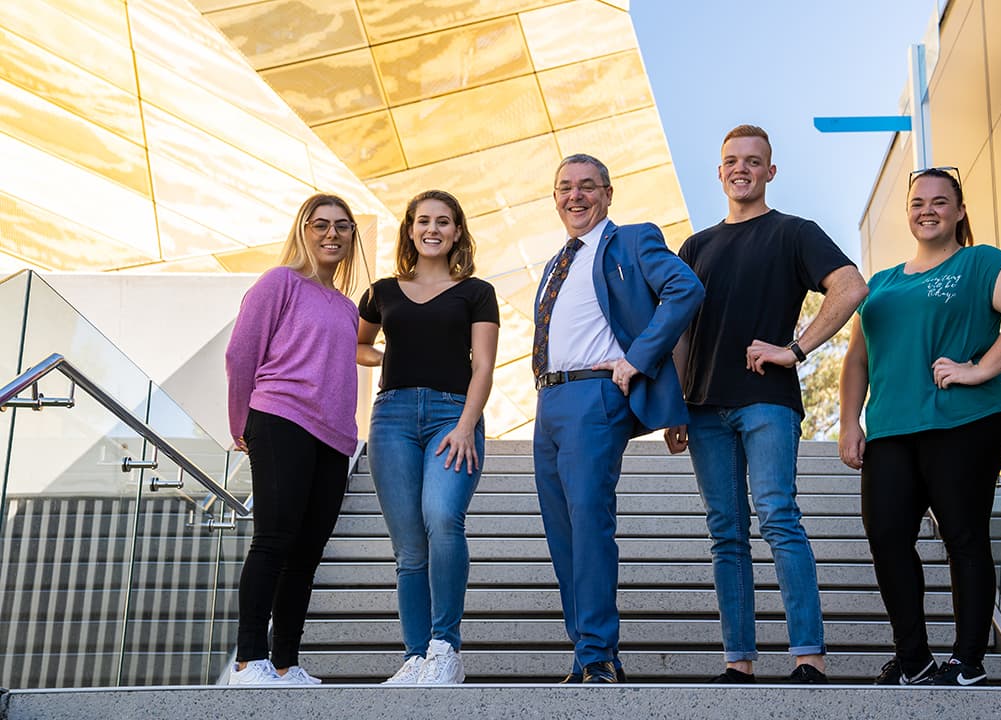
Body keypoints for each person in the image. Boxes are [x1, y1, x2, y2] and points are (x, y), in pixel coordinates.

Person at [664, 125, 868, 684]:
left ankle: (808, 655)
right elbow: (681, 330)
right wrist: (676, 404)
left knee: (778, 517)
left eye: (754, 161)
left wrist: (795, 349)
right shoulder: (696, 247)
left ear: (770, 172)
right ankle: (739, 660)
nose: (741, 169)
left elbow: (851, 285)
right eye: (731, 160)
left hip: (766, 402)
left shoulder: (793, 233)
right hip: (705, 408)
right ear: (720, 170)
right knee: (725, 531)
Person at [838, 166, 1001, 687]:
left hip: (965, 421)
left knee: (963, 535)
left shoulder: (981, 262)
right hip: (889, 430)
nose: (926, 209)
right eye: (917, 203)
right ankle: (914, 659)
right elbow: (856, 361)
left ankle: (969, 660)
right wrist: (849, 423)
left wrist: (980, 369)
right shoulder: (881, 283)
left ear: (958, 211)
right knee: (886, 536)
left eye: (938, 201)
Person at [533, 153, 703, 683]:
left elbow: (686, 289)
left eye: (587, 187)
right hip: (549, 401)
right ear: (555, 196)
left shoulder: (631, 239)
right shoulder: (556, 261)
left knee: (589, 524)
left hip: (594, 396)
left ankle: (600, 654)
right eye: (565, 187)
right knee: (562, 533)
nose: (575, 196)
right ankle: (584, 652)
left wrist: (638, 359)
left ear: (608, 194)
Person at [357, 190, 499, 685]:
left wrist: (466, 425)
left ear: (457, 230)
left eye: (443, 221)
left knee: (442, 517)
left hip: (451, 416)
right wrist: (389, 359)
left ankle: (445, 649)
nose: (432, 229)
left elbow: (483, 365)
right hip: (391, 418)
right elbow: (359, 344)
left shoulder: (476, 291)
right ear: (410, 229)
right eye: (423, 221)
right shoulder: (381, 291)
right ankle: (416, 658)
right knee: (409, 549)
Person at [225, 193, 363, 686]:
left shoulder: (348, 308)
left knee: (307, 553)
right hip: (281, 419)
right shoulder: (279, 282)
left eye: (342, 227)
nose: (332, 234)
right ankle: (248, 660)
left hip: (333, 439)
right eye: (321, 225)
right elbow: (241, 354)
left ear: (352, 237)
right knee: (274, 540)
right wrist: (240, 421)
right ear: (303, 231)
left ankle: (285, 663)